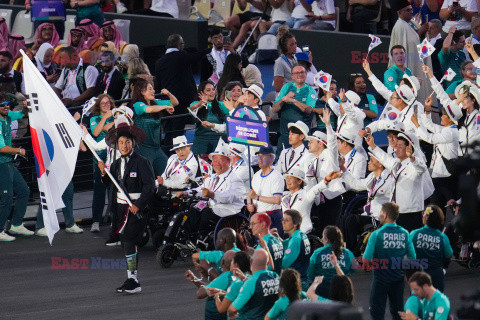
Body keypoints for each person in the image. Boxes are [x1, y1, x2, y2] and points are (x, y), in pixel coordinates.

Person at [99, 122, 155, 294]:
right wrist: (103, 172)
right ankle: (132, 277)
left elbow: (150, 187)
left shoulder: (142, 162)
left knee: (129, 241)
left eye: (127, 142)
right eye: (121, 143)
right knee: (126, 243)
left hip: (137, 210)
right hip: (121, 209)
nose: (124, 146)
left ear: (133, 144)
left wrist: (138, 205)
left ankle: (133, 280)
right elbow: (109, 184)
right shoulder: (115, 164)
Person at [178, 139, 245, 236]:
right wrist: (186, 193)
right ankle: (188, 237)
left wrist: (212, 195)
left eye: (221, 160)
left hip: (228, 210)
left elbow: (230, 197)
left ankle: (201, 239)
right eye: (215, 160)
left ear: (229, 162)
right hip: (212, 206)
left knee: (206, 213)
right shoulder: (212, 177)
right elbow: (201, 189)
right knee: (193, 208)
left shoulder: (235, 179)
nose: (217, 163)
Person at [363, 202, 416, 320]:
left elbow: (366, 259)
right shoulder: (405, 233)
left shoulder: (376, 235)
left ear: (386, 215)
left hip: (380, 280)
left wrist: (370, 265)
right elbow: (412, 258)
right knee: (398, 312)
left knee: (377, 312)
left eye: (381, 213)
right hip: (398, 280)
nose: (379, 215)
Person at [154, 34, 210, 146]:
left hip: (166, 101)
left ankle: (168, 147)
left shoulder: (159, 62)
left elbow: (158, 83)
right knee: (178, 129)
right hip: (182, 101)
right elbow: (195, 56)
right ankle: (174, 150)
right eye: (183, 44)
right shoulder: (181, 56)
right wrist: (210, 49)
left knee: (169, 127)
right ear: (179, 45)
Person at [366, 133, 427, 231]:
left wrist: (412, 158)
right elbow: (384, 158)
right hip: (398, 212)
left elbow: (421, 168)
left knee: (411, 242)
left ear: (409, 147)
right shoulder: (397, 163)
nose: (396, 149)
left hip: (411, 213)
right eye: (396, 146)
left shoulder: (414, 163)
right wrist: (372, 145)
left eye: (400, 146)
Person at [411, 98, 461, 209]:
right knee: (438, 207)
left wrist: (416, 125)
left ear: (450, 119)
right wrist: (427, 109)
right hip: (440, 175)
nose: (441, 117)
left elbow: (430, 138)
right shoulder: (447, 129)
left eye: (444, 116)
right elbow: (430, 125)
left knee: (440, 207)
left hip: (445, 176)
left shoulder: (450, 132)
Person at [341, 152, 394, 251]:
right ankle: (351, 252)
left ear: (380, 164)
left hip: (380, 218)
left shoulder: (390, 180)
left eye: (371, 160)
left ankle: (353, 252)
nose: (368, 163)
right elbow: (356, 184)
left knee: (351, 220)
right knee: (347, 218)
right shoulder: (372, 177)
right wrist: (343, 168)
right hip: (369, 215)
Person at [303, 109, 345, 234]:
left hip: (332, 198)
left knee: (332, 231)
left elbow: (332, 143)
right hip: (318, 200)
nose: (309, 144)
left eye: (311, 141)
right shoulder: (313, 160)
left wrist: (328, 125)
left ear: (321, 144)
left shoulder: (329, 154)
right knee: (321, 231)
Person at [389, 0, 433, 105]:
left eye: (411, 9)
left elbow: (414, 41)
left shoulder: (411, 23)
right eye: (407, 10)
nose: (411, 12)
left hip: (417, 63)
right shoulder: (399, 26)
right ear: (399, 13)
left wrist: (423, 34)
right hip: (409, 65)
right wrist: (421, 31)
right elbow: (404, 47)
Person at [131, 78, 177, 176]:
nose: (153, 91)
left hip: (157, 148)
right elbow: (148, 109)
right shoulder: (137, 104)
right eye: (150, 89)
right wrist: (165, 107)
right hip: (143, 149)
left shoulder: (156, 102)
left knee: (168, 173)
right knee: (148, 177)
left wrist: (168, 94)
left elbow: (175, 103)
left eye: (153, 89)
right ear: (142, 92)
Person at [0, 95, 31, 241]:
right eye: (2, 105)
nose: (6, 106)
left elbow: (22, 114)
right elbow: (1, 148)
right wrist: (19, 150)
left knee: (24, 191)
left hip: (8, 163)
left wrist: (25, 106)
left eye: (7, 104)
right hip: (2, 164)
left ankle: (16, 224)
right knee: (6, 198)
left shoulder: (8, 115)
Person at [273, 65, 315, 156]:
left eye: (302, 72)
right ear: (292, 76)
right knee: (279, 163)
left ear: (306, 74)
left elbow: (308, 110)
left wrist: (293, 101)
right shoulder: (286, 87)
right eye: (297, 73)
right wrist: (283, 100)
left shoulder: (310, 90)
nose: (300, 75)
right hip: (285, 135)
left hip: (302, 137)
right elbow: (274, 109)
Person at [410, 205, 453, 292]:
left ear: (425, 218)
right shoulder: (443, 237)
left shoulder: (414, 234)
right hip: (436, 276)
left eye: (423, 214)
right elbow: (448, 254)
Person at [227, 249, 280, 320]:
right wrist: (244, 278)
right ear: (268, 263)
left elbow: (233, 308)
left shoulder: (251, 282)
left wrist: (229, 312)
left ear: (251, 261)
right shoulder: (275, 276)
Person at [308, 226, 356, 299]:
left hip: (321, 293)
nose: (322, 239)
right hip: (342, 292)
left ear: (326, 239)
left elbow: (310, 273)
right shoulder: (348, 253)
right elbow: (354, 268)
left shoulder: (317, 253)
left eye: (323, 237)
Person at [185, 250, 235, 320]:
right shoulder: (235, 276)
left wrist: (207, 267)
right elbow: (210, 289)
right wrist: (194, 279)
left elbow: (200, 294)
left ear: (222, 263)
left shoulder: (224, 278)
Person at [247, 145, 284, 234]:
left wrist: (257, 197)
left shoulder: (276, 176)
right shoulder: (256, 175)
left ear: (271, 158)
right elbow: (250, 194)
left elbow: (277, 200)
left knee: (272, 245)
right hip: (258, 215)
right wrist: (249, 205)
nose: (259, 159)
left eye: (263, 156)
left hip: (272, 216)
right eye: (258, 156)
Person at [189, 81, 230, 155]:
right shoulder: (196, 103)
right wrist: (201, 103)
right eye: (208, 90)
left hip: (218, 141)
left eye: (213, 89)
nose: (212, 92)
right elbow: (191, 109)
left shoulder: (221, 105)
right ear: (202, 93)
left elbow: (232, 114)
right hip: (201, 140)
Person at [213, 251, 251, 315]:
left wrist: (216, 296)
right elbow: (238, 295)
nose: (230, 264)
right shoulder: (250, 277)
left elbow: (221, 309)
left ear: (235, 265)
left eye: (232, 262)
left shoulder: (237, 283)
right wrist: (221, 291)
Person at [280, 209, 310, 290]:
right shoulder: (301, 235)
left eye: (287, 220)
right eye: (283, 220)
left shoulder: (296, 239)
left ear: (295, 224)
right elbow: (288, 243)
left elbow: (284, 263)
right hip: (304, 279)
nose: (283, 222)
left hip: (296, 284)